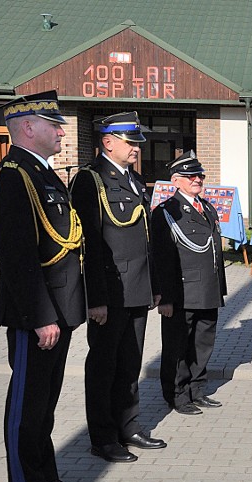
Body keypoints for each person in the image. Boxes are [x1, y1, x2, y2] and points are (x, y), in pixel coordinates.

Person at [0, 91, 92, 482]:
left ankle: (46, 476)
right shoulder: (12, 175)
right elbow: (16, 257)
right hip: (39, 315)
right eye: (53, 124)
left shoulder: (44, 174)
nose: (61, 130)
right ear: (28, 127)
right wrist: (40, 316)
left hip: (58, 311)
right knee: (27, 403)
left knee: (44, 404)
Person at [71, 111, 166, 463]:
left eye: (138, 143)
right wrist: (94, 297)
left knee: (129, 363)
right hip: (110, 292)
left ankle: (129, 425)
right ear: (107, 142)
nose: (137, 149)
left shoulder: (135, 181)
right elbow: (90, 243)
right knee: (104, 366)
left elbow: (146, 237)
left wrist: (155, 284)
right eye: (131, 143)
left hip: (137, 288)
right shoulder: (90, 180)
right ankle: (103, 436)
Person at [150, 151, 226, 415]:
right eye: (190, 176)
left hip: (207, 290)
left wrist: (220, 289)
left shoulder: (207, 208)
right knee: (178, 347)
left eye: (200, 175)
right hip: (182, 292)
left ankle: (197, 389)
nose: (197, 179)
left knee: (203, 344)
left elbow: (214, 251)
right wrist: (165, 297)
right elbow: (161, 258)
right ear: (176, 181)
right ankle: (177, 395)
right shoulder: (166, 212)